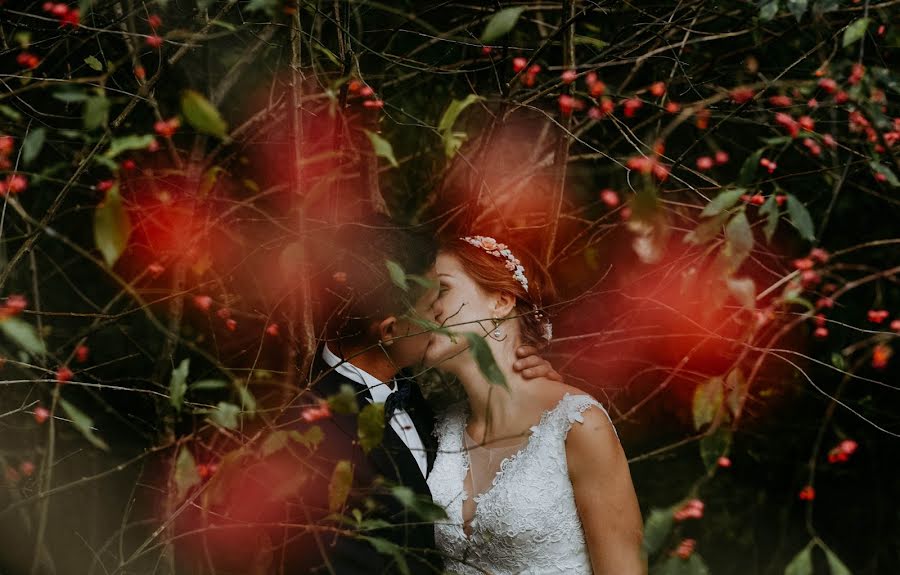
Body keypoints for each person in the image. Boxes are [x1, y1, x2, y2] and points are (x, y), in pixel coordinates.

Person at [185, 218, 560, 574]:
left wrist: (525, 384)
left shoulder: (421, 394)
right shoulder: (316, 442)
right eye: (432, 305)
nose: (442, 315)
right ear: (391, 330)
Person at [424, 235, 645, 575]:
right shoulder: (439, 428)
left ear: (501, 301)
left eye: (442, 289)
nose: (427, 308)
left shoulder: (577, 425)